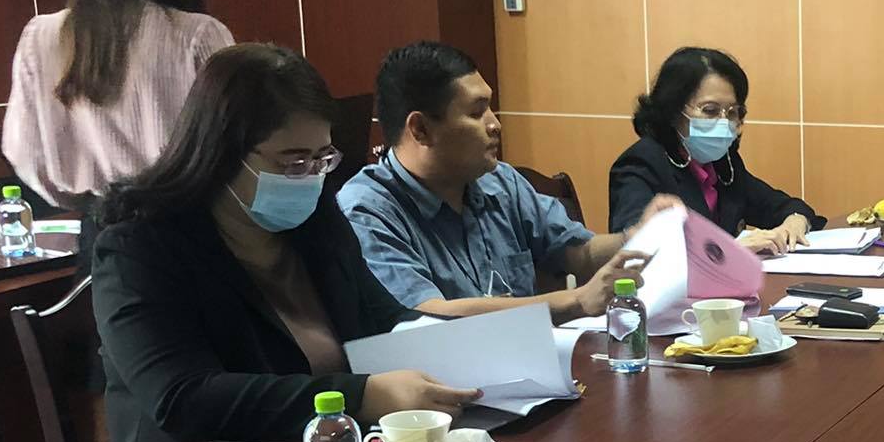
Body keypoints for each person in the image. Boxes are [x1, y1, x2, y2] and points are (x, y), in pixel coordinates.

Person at [93, 43, 477, 442]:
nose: (310, 177)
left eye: (322, 158)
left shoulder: (317, 222)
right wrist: (360, 395)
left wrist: (459, 350)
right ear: (223, 153)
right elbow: (184, 399)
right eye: (293, 161)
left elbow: (383, 317)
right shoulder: (139, 250)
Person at [338, 42, 669, 323]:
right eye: (476, 113)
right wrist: (576, 301)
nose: (495, 124)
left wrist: (635, 236)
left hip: (527, 363)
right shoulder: (366, 210)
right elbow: (427, 315)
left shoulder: (499, 181)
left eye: (490, 108)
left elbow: (578, 253)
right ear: (420, 130)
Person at [3, 0, 233, 218]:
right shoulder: (197, 34)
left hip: (98, 225)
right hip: (188, 222)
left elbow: (25, 152)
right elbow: (237, 145)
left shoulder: (42, 35)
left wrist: (89, 203)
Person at [606, 47, 821, 253]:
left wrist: (795, 221)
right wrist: (730, 250)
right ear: (673, 112)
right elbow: (637, 247)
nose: (723, 122)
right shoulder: (642, 163)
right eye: (710, 110)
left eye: (732, 112)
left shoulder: (723, 163)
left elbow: (782, 206)